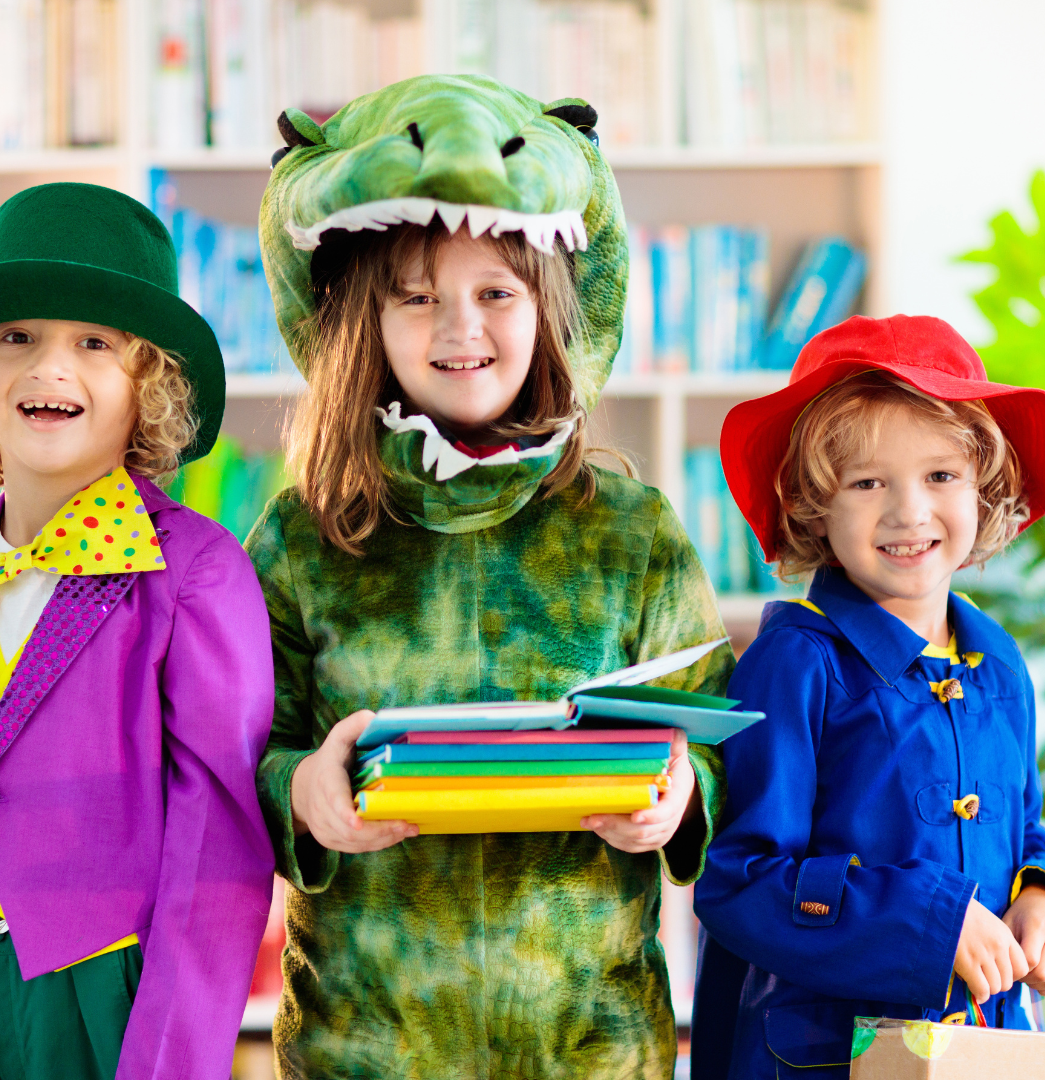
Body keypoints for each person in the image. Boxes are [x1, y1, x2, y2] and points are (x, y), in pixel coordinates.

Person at [247, 75, 735, 1079]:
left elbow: (718, 737)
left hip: (590, 1045)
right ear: (360, 322)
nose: (458, 328)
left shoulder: (634, 530)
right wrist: (301, 791)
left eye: (495, 294)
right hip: (365, 1045)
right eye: (415, 296)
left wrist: (681, 797)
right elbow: (237, 749)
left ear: (549, 308)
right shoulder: (300, 535)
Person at [0, 182, 276, 1080]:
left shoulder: (197, 575)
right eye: (17, 336)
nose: (48, 367)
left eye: (93, 343)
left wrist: (169, 1061)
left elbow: (219, 850)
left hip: (113, 986)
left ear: (152, 388)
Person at [692, 314, 1045, 1079]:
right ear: (815, 505)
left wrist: (1038, 898)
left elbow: (1028, 831)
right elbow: (738, 881)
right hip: (820, 1057)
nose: (908, 511)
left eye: (941, 476)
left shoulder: (1002, 665)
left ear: (986, 490)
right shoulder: (793, 663)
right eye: (867, 481)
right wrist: (931, 922)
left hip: (987, 1047)